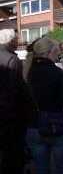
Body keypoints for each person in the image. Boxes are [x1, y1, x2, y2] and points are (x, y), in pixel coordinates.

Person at [23, 37, 63, 174]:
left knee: (41, 168)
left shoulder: (26, 72)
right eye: (56, 53)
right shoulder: (56, 73)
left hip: (33, 127)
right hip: (56, 126)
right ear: (48, 53)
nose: (57, 57)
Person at [0, 29, 27, 174]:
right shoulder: (12, 59)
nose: (19, 41)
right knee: (13, 152)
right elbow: (17, 90)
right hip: (11, 114)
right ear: (10, 41)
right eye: (17, 39)